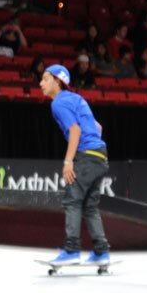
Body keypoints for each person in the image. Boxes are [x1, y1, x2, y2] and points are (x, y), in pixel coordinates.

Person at [39, 64, 111, 265]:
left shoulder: (59, 103)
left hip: (86, 156)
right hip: (100, 155)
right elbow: (98, 127)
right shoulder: (77, 98)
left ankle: (71, 250)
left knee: (72, 201)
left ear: (58, 81)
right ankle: (101, 251)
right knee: (90, 206)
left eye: (45, 79)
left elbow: (75, 131)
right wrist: (94, 151)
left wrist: (69, 161)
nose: (40, 83)